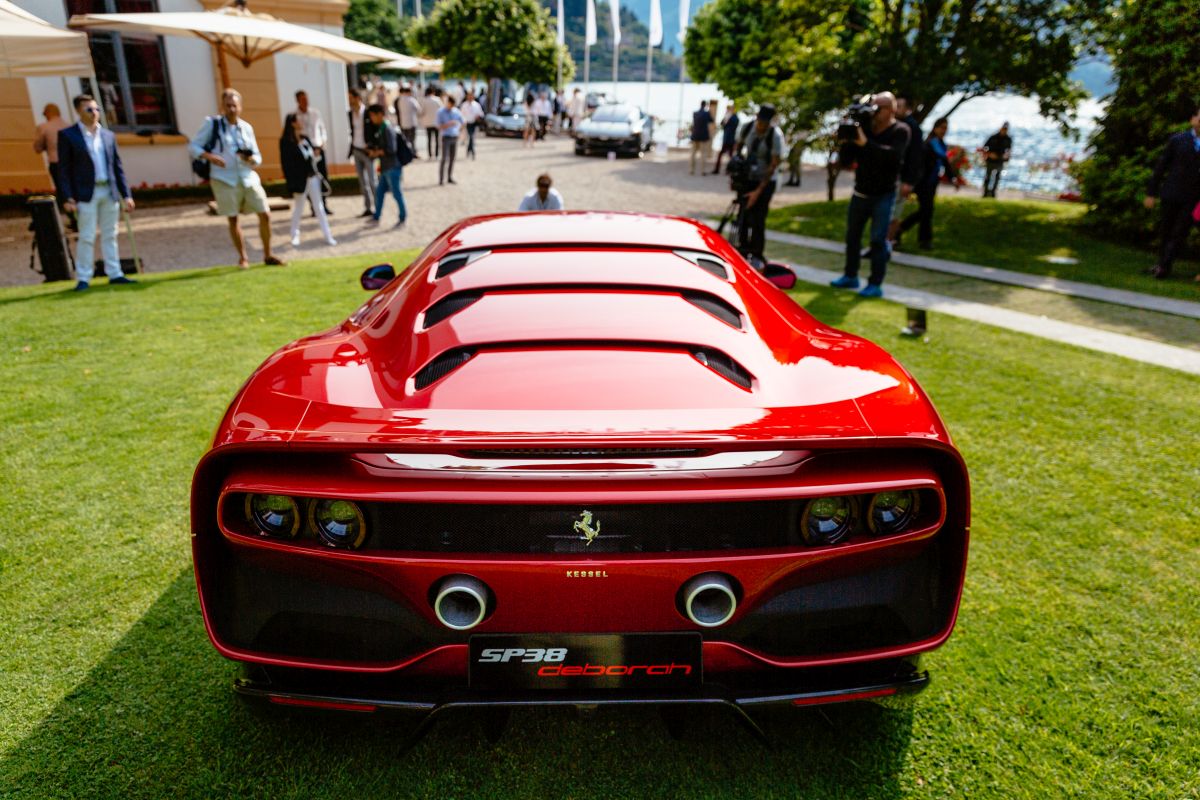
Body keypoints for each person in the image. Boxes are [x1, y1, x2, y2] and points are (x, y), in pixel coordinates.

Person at [189, 87, 283, 269]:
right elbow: (193, 147)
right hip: (224, 178)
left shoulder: (246, 128)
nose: (231, 109)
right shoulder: (212, 124)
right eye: (228, 105)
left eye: (234, 105)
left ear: (240, 107)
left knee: (265, 213)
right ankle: (243, 258)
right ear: (222, 107)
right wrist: (210, 157)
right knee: (233, 219)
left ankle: (268, 254)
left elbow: (257, 157)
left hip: (247, 176)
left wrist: (250, 159)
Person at [829, 91, 910, 298]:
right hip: (860, 192)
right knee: (852, 237)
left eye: (878, 108)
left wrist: (865, 143)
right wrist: (847, 139)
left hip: (884, 194)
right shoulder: (864, 129)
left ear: (890, 110)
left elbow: (891, 157)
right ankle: (850, 275)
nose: (874, 112)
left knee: (877, 240)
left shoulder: (900, 130)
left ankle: (875, 283)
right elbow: (846, 161)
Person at [56, 94, 136, 291]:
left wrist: (126, 195)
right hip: (86, 193)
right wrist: (68, 197)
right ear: (78, 111)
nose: (94, 113)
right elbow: (63, 170)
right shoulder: (68, 135)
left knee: (111, 234)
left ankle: (115, 273)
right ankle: (84, 277)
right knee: (87, 235)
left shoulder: (108, 135)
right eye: (89, 109)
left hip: (108, 190)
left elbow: (117, 167)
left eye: (96, 109)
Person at [1144, 106, 1200, 279]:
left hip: (1193, 197)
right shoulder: (1177, 140)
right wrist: (1151, 192)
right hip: (1172, 192)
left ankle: (1164, 267)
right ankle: (1162, 263)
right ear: (1193, 119)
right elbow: (1161, 167)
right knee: (1166, 230)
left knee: (1180, 232)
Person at [735, 104, 785, 267]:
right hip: (748, 178)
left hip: (765, 181)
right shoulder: (747, 127)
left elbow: (773, 165)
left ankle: (757, 254)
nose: (761, 125)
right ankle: (741, 251)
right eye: (759, 121)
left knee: (758, 218)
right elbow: (738, 148)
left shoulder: (775, 136)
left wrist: (757, 192)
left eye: (764, 122)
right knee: (743, 216)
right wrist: (737, 169)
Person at [896, 117, 957, 250]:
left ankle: (907, 232)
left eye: (946, 128)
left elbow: (945, 162)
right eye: (942, 128)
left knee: (926, 211)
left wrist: (952, 178)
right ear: (935, 128)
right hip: (922, 183)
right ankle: (919, 237)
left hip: (932, 183)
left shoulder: (941, 144)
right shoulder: (929, 144)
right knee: (926, 211)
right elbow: (919, 164)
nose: (944, 131)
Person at [280, 113, 336, 248]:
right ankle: (294, 235)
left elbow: (311, 159)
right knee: (299, 208)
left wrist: (316, 155)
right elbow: (287, 164)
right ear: (293, 123)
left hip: (313, 178)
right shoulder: (286, 142)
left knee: (319, 208)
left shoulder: (305, 139)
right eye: (299, 120)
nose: (302, 122)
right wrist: (291, 182)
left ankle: (328, 235)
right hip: (300, 181)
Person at [886, 93, 924, 244]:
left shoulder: (913, 128)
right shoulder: (894, 124)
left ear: (908, 108)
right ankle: (884, 242)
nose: (895, 109)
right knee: (888, 212)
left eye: (899, 106)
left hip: (902, 178)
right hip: (892, 176)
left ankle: (887, 243)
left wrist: (908, 182)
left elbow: (915, 157)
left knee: (895, 213)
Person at [366, 103, 410, 228]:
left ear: (380, 114)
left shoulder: (387, 128)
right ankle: (376, 216)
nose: (372, 119)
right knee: (380, 193)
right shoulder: (381, 128)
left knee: (397, 194)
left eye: (373, 115)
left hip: (392, 167)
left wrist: (376, 152)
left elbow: (392, 149)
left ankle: (403, 218)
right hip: (385, 167)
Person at [294, 90, 332, 215]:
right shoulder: (295, 116)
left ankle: (324, 204)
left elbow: (322, 130)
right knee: (309, 178)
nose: (305, 101)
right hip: (306, 151)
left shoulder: (315, 113)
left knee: (323, 176)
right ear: (298, 101)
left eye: (306, 98)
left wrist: (322, 145)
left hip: (318, 148)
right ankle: (314, 206)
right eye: (302, 99)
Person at [34, 103, 72, 217]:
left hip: (56, 162)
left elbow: (38, 147)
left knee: (62, 191)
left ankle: (71, 215)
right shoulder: (69, 126)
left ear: (47, 113)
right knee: (72, 188)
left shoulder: (44, 127)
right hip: (71, 162)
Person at [346, 88, 377, 218]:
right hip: (356, 150)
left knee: (373, 181)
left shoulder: (368, 112)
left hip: (367, 151)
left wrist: (372, 148)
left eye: (350, 98)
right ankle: (368, 208)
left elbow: (375, 131)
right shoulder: (350, 114)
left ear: (357, 98)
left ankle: (378, 207)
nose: (349, 101)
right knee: (362, 182)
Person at [437, 95, 464, 186]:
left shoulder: (456, 111)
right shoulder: (441, 112)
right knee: (444, 158)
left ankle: (449, 177)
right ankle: (441, 179)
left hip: (454, 137)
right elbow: (438, 126)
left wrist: (459, 131)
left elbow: (463, 122)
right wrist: (449, 124)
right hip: (446, 137)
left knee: (452, 158)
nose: (451, 106)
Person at [981, 122, 1012, 198]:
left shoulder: (1008, 139)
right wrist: (989, 154)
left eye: (1006, 129)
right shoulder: (993, 137)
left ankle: (993, 193)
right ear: (1001, 128)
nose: (1004, 130)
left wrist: (1006, 156)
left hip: (1000, 161)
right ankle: (985, 193)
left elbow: (1009, 150)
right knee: (988, 177)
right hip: (990, 160)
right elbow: (984, 147)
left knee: (997, 178)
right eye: (1003, 129)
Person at [394, 83, 422, 157]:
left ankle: (406, 153)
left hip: (402, 122)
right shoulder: (412, 100)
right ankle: (412, 153)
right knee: (412, 139)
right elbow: (418, 110)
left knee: (405, 139)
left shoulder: (399, 100)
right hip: (412, 122)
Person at [712, 103, 740, 175]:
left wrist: (728, 118)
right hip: (726, 138)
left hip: (730, 139)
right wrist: (726, 118)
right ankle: (723, 169)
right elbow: (722, 124)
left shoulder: (735, 117)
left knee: (729, 155)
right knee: (727, 155)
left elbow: (734, 126)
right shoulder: (727, 116)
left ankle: (728, 170)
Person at [690, 100, 714, 175]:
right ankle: (703, 171)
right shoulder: (706, 113)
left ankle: (691, 170)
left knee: (693, 154)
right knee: (703, 154)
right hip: (703, 137)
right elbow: (712, 120)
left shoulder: (695, 113)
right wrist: (709, 110)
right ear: (705, 105)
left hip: (695, 135)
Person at [460, 91, 485, 160]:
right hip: (467, 123)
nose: (470, 97)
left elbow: (481, 114)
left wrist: (478, 117)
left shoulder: (476, 105)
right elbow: (461, 115)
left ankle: (470, 150)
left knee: (472, 137)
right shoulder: (464, 105)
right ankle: (472, 151)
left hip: (474, 123)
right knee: (470, 137)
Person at [421, 87, 442, 158]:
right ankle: (436, 154)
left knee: (429, 139)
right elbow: (441, 110)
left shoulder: (424, 100)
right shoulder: (437, 99)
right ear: (433, 92)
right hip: (436, 122)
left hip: (427, 122)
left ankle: (430, 155)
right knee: (436, 139)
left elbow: (422, 111)